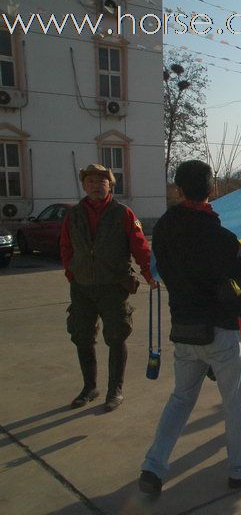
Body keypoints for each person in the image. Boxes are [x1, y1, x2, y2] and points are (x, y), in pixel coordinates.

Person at [139, 160, 241, 496]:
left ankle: (153, 467)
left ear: (178, 189)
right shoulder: (218, 235)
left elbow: (163, 270)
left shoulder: (165, 228)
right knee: (235, 403)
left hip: (184, 328)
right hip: (219, 331)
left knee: (180, 399)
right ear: (212, 190)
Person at [60, 163, 157, 412]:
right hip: (82, 287)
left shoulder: (122, 213)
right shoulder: (74, 214)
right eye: (90, 181)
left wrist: (149, 273)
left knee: (116, 337)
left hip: (113, 285)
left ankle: (115, 390)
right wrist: (72, 272)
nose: (95, 185)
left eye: (101, 181)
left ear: (110, 185)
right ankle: (89, 387)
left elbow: (139, 247)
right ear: (84, 185)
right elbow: (66, 247)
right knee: (82, 336)